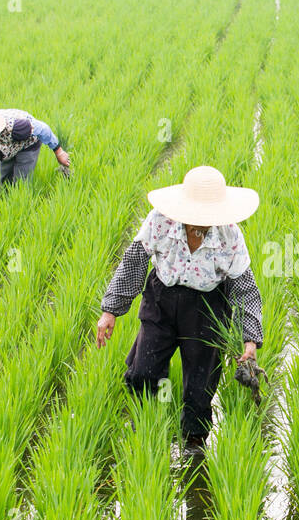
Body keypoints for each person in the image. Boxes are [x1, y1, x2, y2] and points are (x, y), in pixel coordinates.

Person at [95, 166, 263, 448]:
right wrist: (110, 310)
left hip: (206, 309)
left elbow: (244, 289)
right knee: (144, 372)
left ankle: (194, 445)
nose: (203, 221)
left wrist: (249, 339)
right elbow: (135, 261)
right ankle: (144, 428)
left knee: (200, 386)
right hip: (161, 301)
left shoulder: (230, 236)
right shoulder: (160, 221)